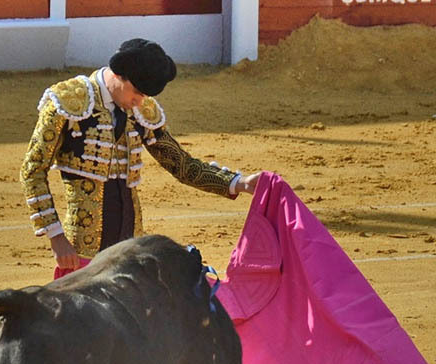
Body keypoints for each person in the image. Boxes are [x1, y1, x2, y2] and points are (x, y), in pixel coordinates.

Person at [21, 38, 261, 276]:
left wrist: (238, 182)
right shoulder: (67, 101)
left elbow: (181, 164)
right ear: (118, 75)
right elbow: (32, 170)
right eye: (136, 92)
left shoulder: (141, 110)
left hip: (130, 244)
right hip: (83, 247)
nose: (140, 101)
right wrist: (56, 236)